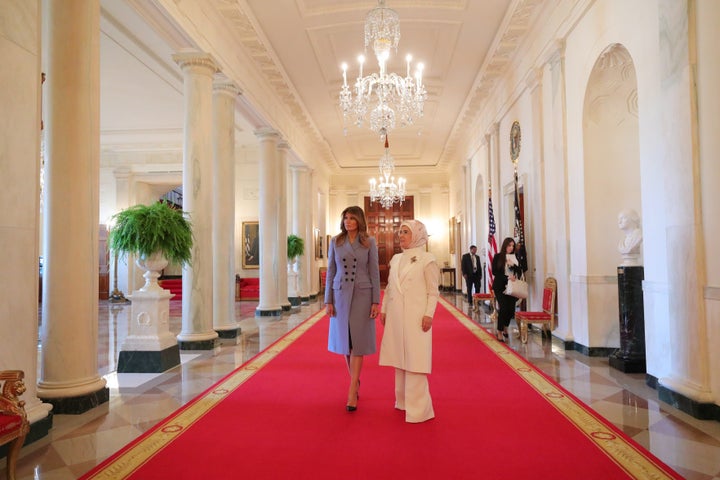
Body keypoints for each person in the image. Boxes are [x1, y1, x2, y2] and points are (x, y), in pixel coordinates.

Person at [379, 220, 440, 423]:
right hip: (397, 316)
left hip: (416, 317)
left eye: (405, 232)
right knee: (400, 359)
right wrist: (384, 309)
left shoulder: (427, 259)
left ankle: (419, 410)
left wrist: (428, 314)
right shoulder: (396, 259)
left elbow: (433, 291)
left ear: (416, 234)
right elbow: (389, 287)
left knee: (415, 360)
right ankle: (403, 401)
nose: (401, 236)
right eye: (400, 232)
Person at [324, 206, 380, 412]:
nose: (348, 221)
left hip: (362, 295)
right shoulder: (335, 241)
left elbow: (374, 273)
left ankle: (351, 389)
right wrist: (328, 300)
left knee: (358, 341)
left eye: (352, 218)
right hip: (339, 295)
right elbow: (331, 271)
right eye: (345, 218)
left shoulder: (369, 242)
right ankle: (355, 382)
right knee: (345, 343)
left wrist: (376, 301)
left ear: (359, 221)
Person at [492, 237, 522, 342]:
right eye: (509, 245)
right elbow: (495, 272)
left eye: (513, 246)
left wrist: (513, 265)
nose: (511, 247)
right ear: (505, 245)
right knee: (503, 308)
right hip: (500, 286)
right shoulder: (498, 256)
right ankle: (500, 331)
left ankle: (505, 326)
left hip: (511, 287)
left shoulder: (514, 257)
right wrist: (507, 277)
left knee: (510, 310)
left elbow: (519, 271)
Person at [461, 245, 483, 309]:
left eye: (476, 250)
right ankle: (470, 301)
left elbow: (479, 266)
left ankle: (477, 300)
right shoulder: (465, 256)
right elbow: (463, 266)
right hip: (469, 275)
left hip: (476, 275)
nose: (475, 251)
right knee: (469, 288)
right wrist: (464, 274)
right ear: (470, 249)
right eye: (474, 250)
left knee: (478, 287)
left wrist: (480, 274)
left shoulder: (477, 257)